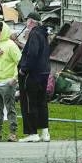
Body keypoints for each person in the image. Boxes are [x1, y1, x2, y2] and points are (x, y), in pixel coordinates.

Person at [18, 12, 51, 142]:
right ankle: (45, 132)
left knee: (29, 102)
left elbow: (32, 53)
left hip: (33, 74)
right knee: (42, 102)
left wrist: (23, 69)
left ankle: (32, 133)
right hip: (44, 72)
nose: (26, 23)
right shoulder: (44, 34)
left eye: (27, 21)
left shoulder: (34, 34)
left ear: (31, 21)